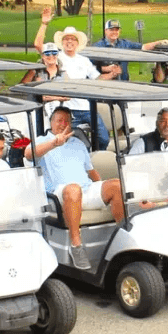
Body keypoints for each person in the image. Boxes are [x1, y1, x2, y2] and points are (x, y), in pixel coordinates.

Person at [26, 107, 124, 270]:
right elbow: (28, 154)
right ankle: (76, 246)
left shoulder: (78, 144)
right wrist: (53, 143)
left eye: (67, 121)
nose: (63, 124)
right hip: (59, 195)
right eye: (59, 120)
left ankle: (122, 240)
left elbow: (91, 172)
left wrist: (102, 187)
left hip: (85, 190)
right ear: (51, 122)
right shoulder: (43, 140)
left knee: (116, 185)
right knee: (73, 189)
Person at [33, 8, 116, 147]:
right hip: (67, 108)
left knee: (103, 138)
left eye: (73, 39)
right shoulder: (55, 55)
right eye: (66, 39)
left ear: (77, 43)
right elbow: (38, 45)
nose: (69, 42)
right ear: (62, 42)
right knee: (67, 141)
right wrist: (44, 24)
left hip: (87, 107)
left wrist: (112, 74)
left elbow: (97, 79)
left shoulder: (84, 60)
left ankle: (92, 160)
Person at [92, 18, 165, 81]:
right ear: (105, 31)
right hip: (104, 84)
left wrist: (158, 42)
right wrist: (107, 69)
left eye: (117, 30)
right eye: (111, 30)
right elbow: (90, 67)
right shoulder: (97, 47)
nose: (114, 32)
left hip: (124, 83)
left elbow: (143, 47)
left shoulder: (125, 44)